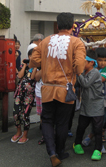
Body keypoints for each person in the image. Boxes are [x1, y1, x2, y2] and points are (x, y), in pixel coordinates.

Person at [30, 12, 86, 167]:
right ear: (73, 25)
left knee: (47, 120)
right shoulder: (77, 42)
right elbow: (80, 66)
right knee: (62, 122)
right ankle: (60, 152)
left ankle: (52, 152)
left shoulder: (46, 41)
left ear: (57, 25)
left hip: (47, 88)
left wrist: (46, 65)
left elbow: (33, 61)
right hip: (65, 89)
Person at [73, 49, 104, 161]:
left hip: (96, 104)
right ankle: (77, 143)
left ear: (91, 62)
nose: (81, 64)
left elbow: (85, 84)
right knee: (81, 126)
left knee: (97, 129)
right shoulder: (84, 72)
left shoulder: (95, 72)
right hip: (86, 104)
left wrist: (78, 73)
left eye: (84, 62)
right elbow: (77, 84)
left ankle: (98, 149)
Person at [82, 47, 106, 154]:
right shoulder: (91, 69)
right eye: (100, 60)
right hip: (91, 101)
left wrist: (91, 71)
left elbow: (102, 79)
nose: (103, 63)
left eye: (105, 60)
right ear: (95, 60)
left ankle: (95, 140)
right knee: (92, 122)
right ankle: (93, 138)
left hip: (104, 102)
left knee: (102, 124)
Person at [11, 48, 38, 144]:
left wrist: (35, 66)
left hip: (29, 95)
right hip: (19, 93)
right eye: (31, 56)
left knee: (25, 115)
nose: (32, 57)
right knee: (16, 114)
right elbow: (19, 75)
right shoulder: (24, 65)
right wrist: (25, 64)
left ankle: (25, 135)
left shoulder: (38, 67)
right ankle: (18, 132)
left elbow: (32, 77)